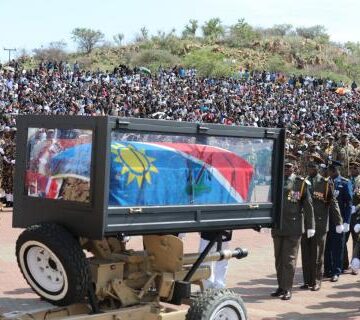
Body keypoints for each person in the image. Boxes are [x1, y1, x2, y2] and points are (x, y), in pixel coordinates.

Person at [271, 156, 314, 300]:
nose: (286, 169)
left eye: (289, 166)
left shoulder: (300, 183)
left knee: (289, 260)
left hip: (293, 227)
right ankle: (280, 286)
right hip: (278, 226)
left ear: (294, 167)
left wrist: (311, 226)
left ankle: (287, 288)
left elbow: (308, 206)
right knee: (278, 259)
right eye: (284, 166)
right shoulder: (276, 181)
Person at [300, 154, 343, 291]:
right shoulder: (303, 181)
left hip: (319, 223)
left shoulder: (325, 183)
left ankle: (317, 281)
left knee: (317, 255)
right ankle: (307, 280)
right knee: (306, 254)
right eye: (309, 166)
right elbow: (297, 200)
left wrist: (339, 221)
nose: (310, 169)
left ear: (318, 168)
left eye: (313, 166)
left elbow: (333, 202)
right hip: (305, 223)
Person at [324, 160, 352, 282]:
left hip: (338, 221)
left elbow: (349, 203)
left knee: (337, 247)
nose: (328, 172)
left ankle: (336, 271)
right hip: (326, 220)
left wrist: (346, 221)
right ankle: (327, 269)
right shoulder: (326, 182)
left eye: (329, 170)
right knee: (327, 246)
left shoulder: (344, 183)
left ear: (334, 170)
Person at [345, 161, 360, 274]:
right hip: (347, 214)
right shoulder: (347, 180)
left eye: (355, 168)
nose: (353, 170)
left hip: (357, 215)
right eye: (351, 168)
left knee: (356, 240)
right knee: (343, 239)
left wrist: (357, 207)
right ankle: (344, 263)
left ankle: (355, 264)